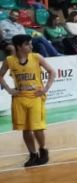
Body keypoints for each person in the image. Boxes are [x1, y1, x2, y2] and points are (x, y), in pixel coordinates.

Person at [0, 34, 56, 167]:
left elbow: (52, 72)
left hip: (35, 96)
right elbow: (0, 75)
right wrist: (9, 90)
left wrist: (45, 88)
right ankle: (33, 154)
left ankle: (43, 149)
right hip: (19, 97)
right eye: (27, 44)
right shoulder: (9, 60)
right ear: (19, 47)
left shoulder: (36, 57)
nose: (31, 46)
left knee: (37, 128)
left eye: (30, 43)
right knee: (25, 129)